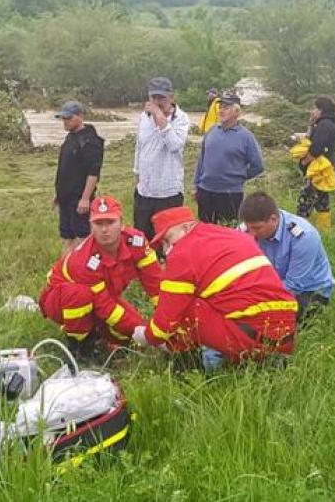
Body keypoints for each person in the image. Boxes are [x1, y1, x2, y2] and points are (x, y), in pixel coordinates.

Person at [131, 206, 297, 367]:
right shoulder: (230, 235)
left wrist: (147, 336)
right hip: (286, 334)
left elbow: (166, 320)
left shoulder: (182, 253)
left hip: (250, 339)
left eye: (168, 240)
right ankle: (266, 357)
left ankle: (184, 364)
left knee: (185, 305)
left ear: (187, 227)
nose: (167, 249)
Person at [39, 195, 162, 363]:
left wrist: (165, 320)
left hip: (103, 297)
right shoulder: (84, 261)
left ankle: (98, 334)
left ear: (121, 222)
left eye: (110, 222)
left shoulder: (137, 242)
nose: (105, 230)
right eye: (99, 223)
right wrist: (141, 331)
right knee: (79, 295)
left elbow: (156, 283)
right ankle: (80, 348)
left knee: (127, 334)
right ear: (90, 226)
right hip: (59, 301)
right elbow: (106, 307)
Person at [238, 191, 335, 323]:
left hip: (308, 290)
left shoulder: (303, 237)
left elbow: (293, 286)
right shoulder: (247, 229)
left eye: (257, 228)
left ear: (273, 219)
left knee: (269, 321)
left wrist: (253, 295)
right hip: (266, 285)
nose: (252, 234)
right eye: (249, 229)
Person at [132, 76, 191, 243]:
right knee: (142, 239)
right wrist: (136, 174)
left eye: (161, 98)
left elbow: (175, 145)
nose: (157, 102)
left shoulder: (182, 119)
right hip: (145, 191)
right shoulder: (144, 117)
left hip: (168, 192)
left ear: (171, 97)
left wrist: (159, 117)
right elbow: (139, 146)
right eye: (153, 98)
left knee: (169, 239)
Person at [193, 93, 264, 225]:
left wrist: (239, 176)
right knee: (205, 230)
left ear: (236, 112)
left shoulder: (246, 137)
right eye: (220, 107)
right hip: (205, 191)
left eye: (226, 107)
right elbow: (201, 160)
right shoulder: (212, 131)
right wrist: (196, 185)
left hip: (230, 194)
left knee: (227, 231)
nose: (221, 110)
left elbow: (258, 166)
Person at [52, 100, 104, 252]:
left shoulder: (91, 141)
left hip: (79, 199)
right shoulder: (70, 138)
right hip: (65, 197)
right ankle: (64, 271)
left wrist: (85, 198)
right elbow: (65, 169)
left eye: (68, 118)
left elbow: (93, 173)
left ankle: (82, 271)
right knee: (66, 236)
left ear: (80, 117)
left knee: (82, 237)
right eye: (63, 118)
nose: (65, 122)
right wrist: (58, 194)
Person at [297, 97, 335, 232]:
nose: (312, 111)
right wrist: (311, 124)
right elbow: (310, 138)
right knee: (322, 200)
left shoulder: (325, 125)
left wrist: (304, 161)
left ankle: (300, 230)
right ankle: (324, 230)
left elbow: (316, 148)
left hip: (318, 170)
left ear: (321, 110)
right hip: (324, 169)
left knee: (305, 199)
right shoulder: (327, 123)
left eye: (314, 108)